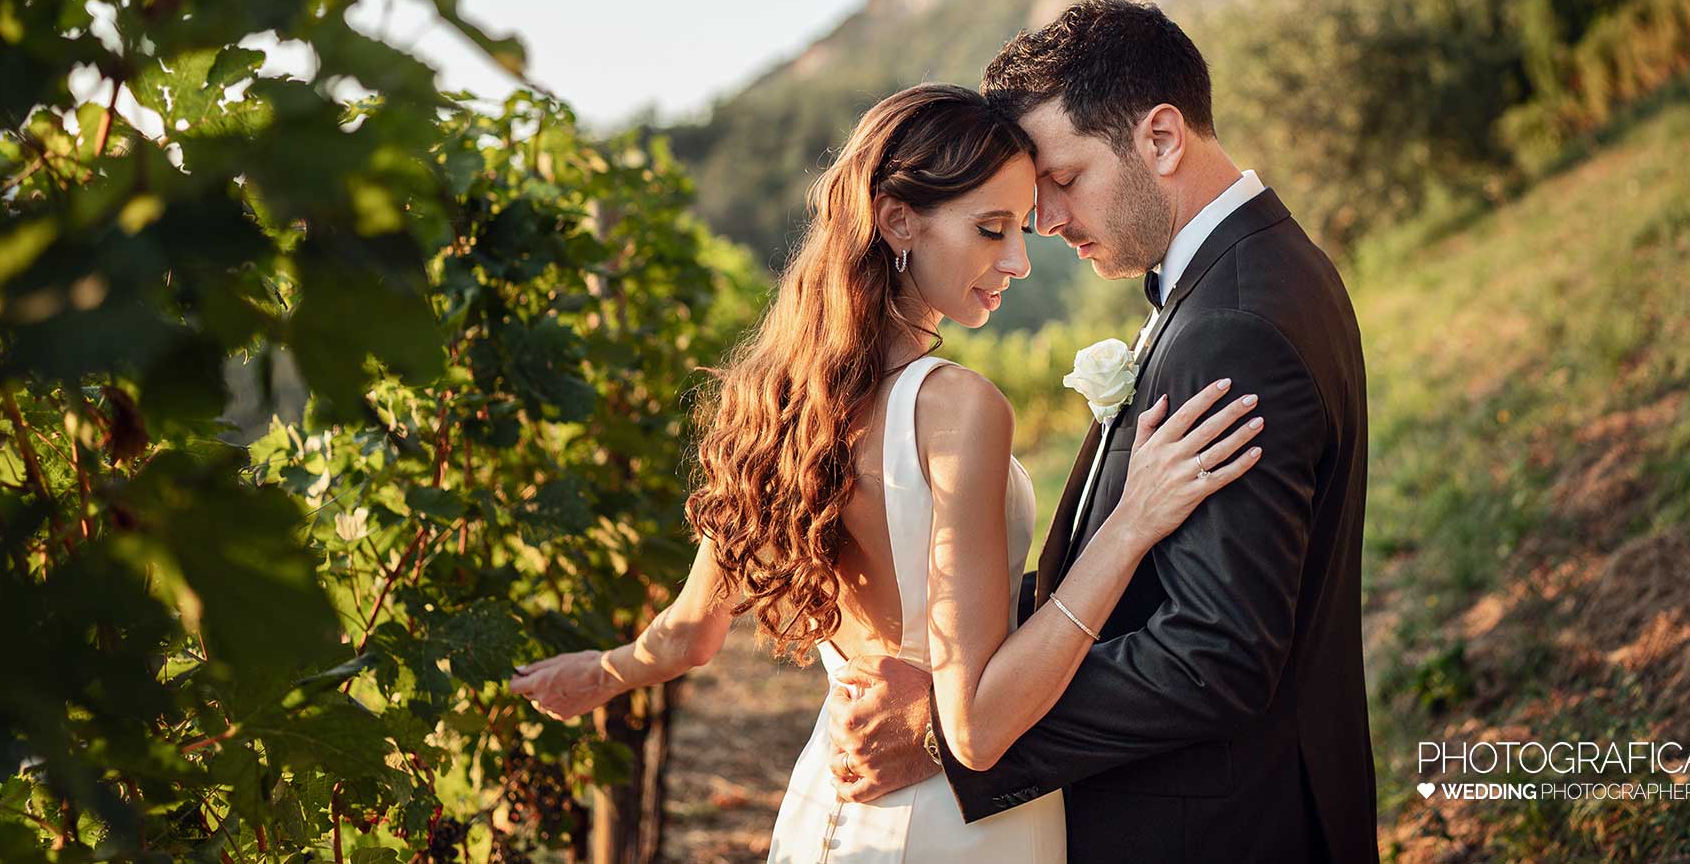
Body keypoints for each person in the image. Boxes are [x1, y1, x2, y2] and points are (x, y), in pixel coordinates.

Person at [508, 82, 1262, 862]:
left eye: (1020, 231)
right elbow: (973, 726)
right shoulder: (958, 408)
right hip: (953, 823)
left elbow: (688, 638)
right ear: (899, 221)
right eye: (990, 229)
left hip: (828, 799)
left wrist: (595, 674)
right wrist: (1132, 524)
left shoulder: (782, 405)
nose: (1016, 260)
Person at [826, 0, 1379, 862]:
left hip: (1214, 831)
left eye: (1064, 178)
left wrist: (956, 727)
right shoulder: (1253, 275)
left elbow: (1216, 654)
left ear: (1159, 138)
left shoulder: (1233, 323)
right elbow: (1174, 582)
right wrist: (971, 648)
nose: (1042, 220)